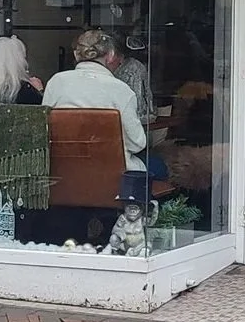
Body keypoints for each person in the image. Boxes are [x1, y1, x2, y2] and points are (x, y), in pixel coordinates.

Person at [42, 30, 164, 200]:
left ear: (77, 55)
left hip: (64, 174)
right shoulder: (121, 90)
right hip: (114, 179)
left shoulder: (56, 83)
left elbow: (44, 130)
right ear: (111, 55)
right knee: (161, 166)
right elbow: (137, 144)